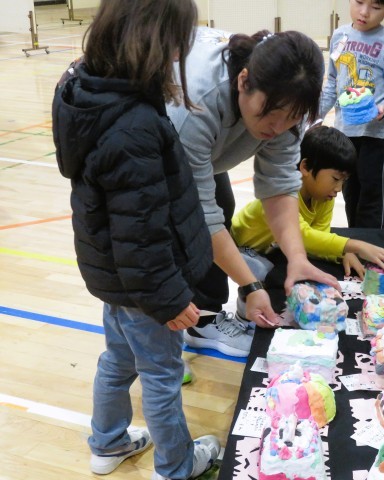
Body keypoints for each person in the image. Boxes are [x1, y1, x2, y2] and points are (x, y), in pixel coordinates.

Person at [51, 1, 220, 479]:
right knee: (162, 375)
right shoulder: (133, 125)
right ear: (153, 38)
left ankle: (107, 443)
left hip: (116, 277)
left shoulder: (89, 88)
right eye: (177, 41)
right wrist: (169, 300)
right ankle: (176, 466)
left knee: (118, 359)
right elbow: (141, 234)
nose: (180, 53)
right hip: (144, 287)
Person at [167, 27, 339, 357]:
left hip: (203, 156)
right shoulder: (197, 104)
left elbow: (279, 187)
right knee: (168, 245)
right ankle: (167, 343)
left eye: (292, 118)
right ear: (243, 81)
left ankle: (203, 318)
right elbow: (199, 217)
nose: (278, 127)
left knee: (222, 206)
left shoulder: (285, 106)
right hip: (152, 159)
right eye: (271, 113)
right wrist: (251, 284)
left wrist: (297, 258)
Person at [230, 126, 384, 285]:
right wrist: (356, 246)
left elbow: (320, 236)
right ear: (305, 167)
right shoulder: (280, 195)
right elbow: (302, 235)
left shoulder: (323, 197)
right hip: (241, 248)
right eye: (336, 179)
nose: (339, 188)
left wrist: (341, 253)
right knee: (265, 273)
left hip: (274, 248)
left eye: (344, 181)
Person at [319, 0, 384, 229]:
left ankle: (374, 246)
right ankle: (356, 242)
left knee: (373, 201)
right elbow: (332, 81)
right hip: (345, 134)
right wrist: (315, 116)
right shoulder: (340, 35)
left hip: (375, 138)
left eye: (376, 7)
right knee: (351, 195)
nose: (364, 12)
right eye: (359, 2)